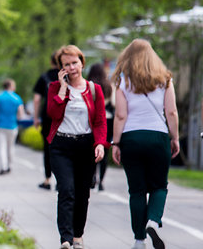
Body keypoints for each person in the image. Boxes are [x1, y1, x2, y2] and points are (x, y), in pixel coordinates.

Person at [111, 39, 179, 249]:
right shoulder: (165, 79)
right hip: (158, 138)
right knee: (159, 186)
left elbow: (120, 115)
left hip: (131, 138)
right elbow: (171, 111)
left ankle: (139, 240)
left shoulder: (123, 81)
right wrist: (174, 137)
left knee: (137, 191)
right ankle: (153, 220)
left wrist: (116, 143)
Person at [46, 45, 107, 249]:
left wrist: (100, 143)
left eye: (74, 63)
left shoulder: (93, 89)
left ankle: (78, 235)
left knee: (82, 193)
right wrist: (63, 88)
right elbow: (53, 114)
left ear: (82, 62)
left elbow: (99, 120)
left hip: (85, 146)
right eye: (66, 65)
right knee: (66, 190)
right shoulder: (55, 88)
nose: (71, 68)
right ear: (61, 68)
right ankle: (66, 237)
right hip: (61, 146)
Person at [33, 51, 60, 189]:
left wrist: (36, 117)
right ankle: (60, 180)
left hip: (47, 115)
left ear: (51, 62)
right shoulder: (67, 76)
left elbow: (37, 99)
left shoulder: (44, 77)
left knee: (48, 147)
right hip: (62, 117)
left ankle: (47, 179)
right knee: (61, 148)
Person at [88, 63, 114, 191]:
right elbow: (114, 103)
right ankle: (101, 181)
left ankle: (92, 176)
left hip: (93, 121)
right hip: (108, 120)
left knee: (93, 149)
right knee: (104, 150)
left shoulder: (89, 85)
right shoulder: (108, 86)